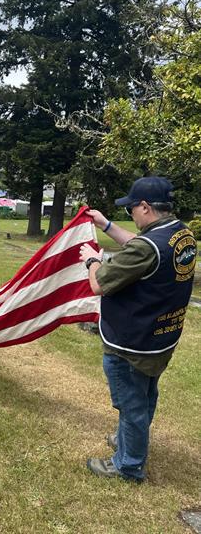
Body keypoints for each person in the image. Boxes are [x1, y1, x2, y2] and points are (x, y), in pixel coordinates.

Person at [79, 176, 196, 482]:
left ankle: (128, 465)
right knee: (144, 395)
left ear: (145, 207)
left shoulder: (150, 245)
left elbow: (98, 283)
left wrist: (92, 260)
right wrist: (106, 225)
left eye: (131, 208)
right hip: (161, 336)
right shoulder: (180, 234)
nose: (129, 213)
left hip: (133, 341)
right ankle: (131, 441)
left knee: (131, 403)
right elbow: (140, 248)